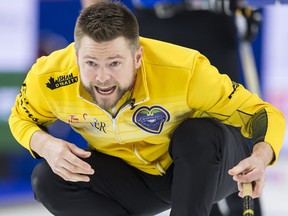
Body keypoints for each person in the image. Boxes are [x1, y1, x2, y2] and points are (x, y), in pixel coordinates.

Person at [9, 2, 285, 215]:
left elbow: (262, 113)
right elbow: (21, 117)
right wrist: (45, 144)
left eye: (115, 63)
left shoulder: (185, 70)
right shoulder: (50, 77)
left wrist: (261, 156)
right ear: (76, 56)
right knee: (47, 178)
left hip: (203, 170)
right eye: (91, 63)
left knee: (198, 133)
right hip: (133, 177)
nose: (103, 78)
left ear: (138, 56)